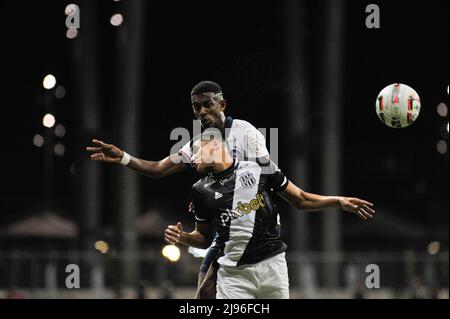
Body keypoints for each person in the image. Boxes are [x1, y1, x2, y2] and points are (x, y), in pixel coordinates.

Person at [86, 81, 270, 298]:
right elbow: (158, 169)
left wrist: (217, 196)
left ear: (222, 104)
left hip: (254, 229)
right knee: (205, 293)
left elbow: (265, 178)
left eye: (207, 104)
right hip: (224, 232)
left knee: (214, 291)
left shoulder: (245, 132)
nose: (201, 111)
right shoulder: (197, 144)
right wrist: (123, 158)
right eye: (196, 106)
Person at [164, 130, 375, 299]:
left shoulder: (260, 166)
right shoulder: (199, 190)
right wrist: (182, 237)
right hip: (234, 274)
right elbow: (204, 238)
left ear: (215, 145)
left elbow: (301, 199)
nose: (191, 159)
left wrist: (338, 201)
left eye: (195, 150)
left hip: (273, 266)